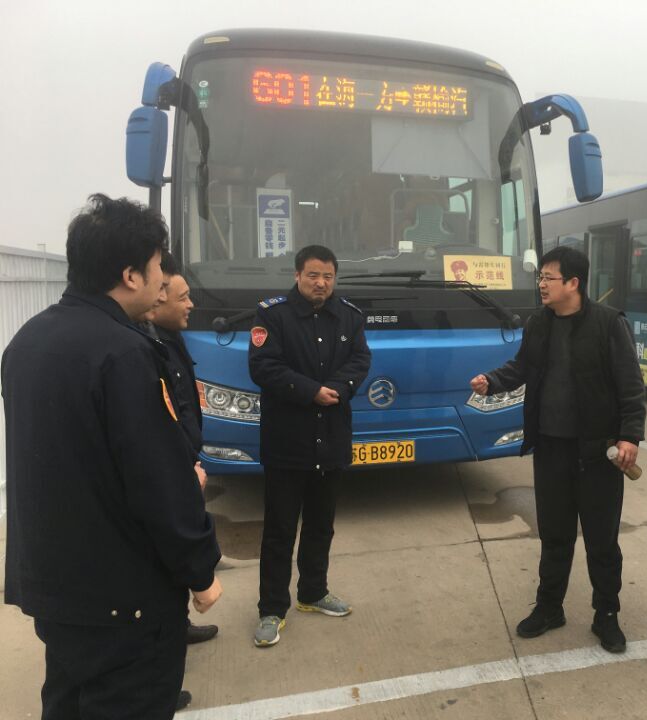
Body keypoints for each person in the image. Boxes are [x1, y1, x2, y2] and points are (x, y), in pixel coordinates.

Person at [2, 194, 222, 719]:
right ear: (130, 275)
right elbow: (158, 483)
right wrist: (201, 571)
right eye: (157, 268)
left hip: (55, 589)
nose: (162, 282)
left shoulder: (27, 340)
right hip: (125, 600)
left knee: (68, 703)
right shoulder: (124, 353)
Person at [469, 246, 646, 654]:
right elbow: (521, 367)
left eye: (548, 277)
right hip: (550, 448)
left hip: (597, 452)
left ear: (573, 283)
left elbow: (630, 384)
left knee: (602, 540)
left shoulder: (609, 324)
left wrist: (630, 436)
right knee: (554, 535)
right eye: (541, 277)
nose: (541, 284)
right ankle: (550, 607)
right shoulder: (539, 323)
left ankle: (606, 615)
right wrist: (491, 382)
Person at [249, 244, 371, 648]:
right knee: (280, 530)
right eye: (314, 275)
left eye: (328, 276)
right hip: (288, 443)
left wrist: (335, 388)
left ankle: (313, 592)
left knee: (321, 525)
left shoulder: (349, 316)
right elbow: (264, 366)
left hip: (331, 439)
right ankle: (271, 609)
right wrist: (310, 392)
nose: (321, 283)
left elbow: (360, 361)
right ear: (298, 275)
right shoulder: (272, 315)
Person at [149, 256, 221, 652]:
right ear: (158, 297)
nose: (191, 304)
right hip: (176, 468)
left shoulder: (170, 338)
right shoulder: (143, 348)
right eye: (184, 297)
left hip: (187, 459)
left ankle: (179, 623)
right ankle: (168, 635)